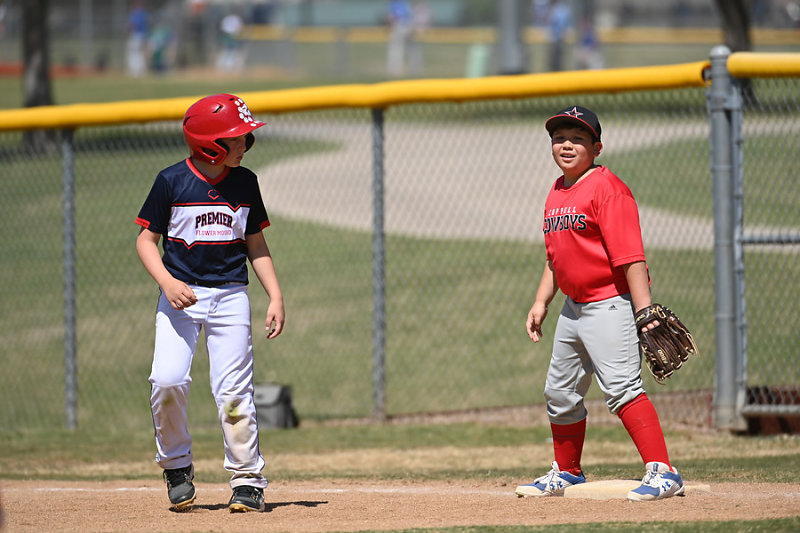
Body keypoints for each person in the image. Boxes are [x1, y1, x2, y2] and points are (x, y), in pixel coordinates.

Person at [515, 106, 684, 502]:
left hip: (610, 304)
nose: (566, 145)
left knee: (623, 389)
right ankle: (567, 472)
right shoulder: (557, 190)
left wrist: (644, 311)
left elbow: (631, 256)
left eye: (577, 139)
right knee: (559, 393)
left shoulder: (608, 188)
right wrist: (541, 302)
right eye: (559, 138)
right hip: (573, 308)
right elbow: (555, 258)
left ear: (597, 148)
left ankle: (664, 472)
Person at [135, 94, 285, 512]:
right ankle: (176, 465)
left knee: (233, 393)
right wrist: (167, 282)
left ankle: (248, 480)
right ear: (209, 144)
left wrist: (275, 295)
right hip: (180, 298)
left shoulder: (245, 182)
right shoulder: (171, 181)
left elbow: (256, 244)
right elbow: (146, 241)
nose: (245, 143)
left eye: (245, 137)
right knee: (167, 380)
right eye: (236, 138)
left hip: (231, 296)